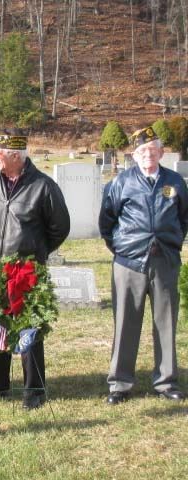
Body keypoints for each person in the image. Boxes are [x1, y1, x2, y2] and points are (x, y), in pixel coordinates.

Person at [0, 133, 70, 410]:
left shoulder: (44, 186)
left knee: (29, 330)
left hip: (26, 272)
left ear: (16, 155)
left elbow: (59, 228)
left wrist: (34, 252)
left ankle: (34, 390)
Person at [99, 127, 188, 405]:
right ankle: (120, 383)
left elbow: (184, 218)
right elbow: (107, 222)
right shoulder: (121, 182)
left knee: (166, 322)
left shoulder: (175, 182)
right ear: (134, 155)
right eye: (142, 151)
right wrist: (123, 249)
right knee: (125, 322)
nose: (148, 154)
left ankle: (166, 381)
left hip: (164, 261)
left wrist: (171, 244)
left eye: (153, 149)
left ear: (162, 152)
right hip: (129, 262)